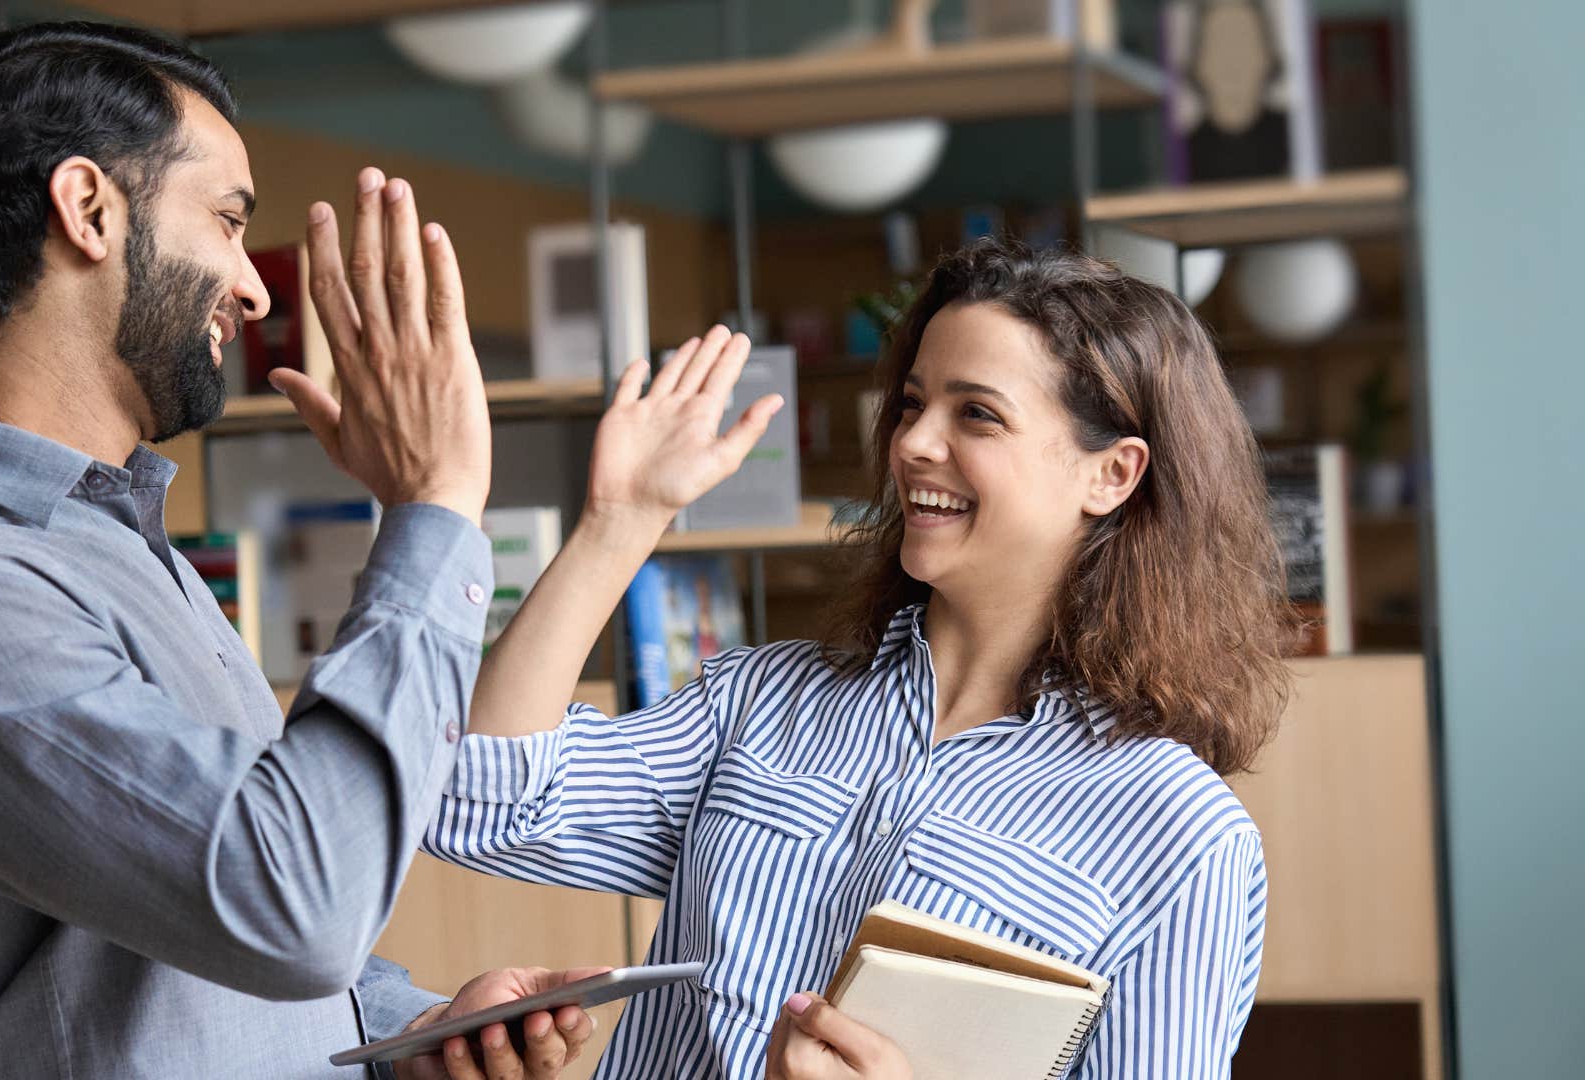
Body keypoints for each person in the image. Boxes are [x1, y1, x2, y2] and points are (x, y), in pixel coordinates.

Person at [0, 22, 604, 1080]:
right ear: (88, 211)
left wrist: (404, 1036)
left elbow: (193, 923)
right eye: (224, 221)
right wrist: (434, 504)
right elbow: (294, 906)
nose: (254, 288)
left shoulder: (116, 544)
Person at [421, 241, 1294, 1077]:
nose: (912, 442)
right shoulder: (760, 701)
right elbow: (478, 799)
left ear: (1112, 473)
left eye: (977, 414)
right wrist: (619, 523)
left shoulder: (1181, 836)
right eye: (913, 403)